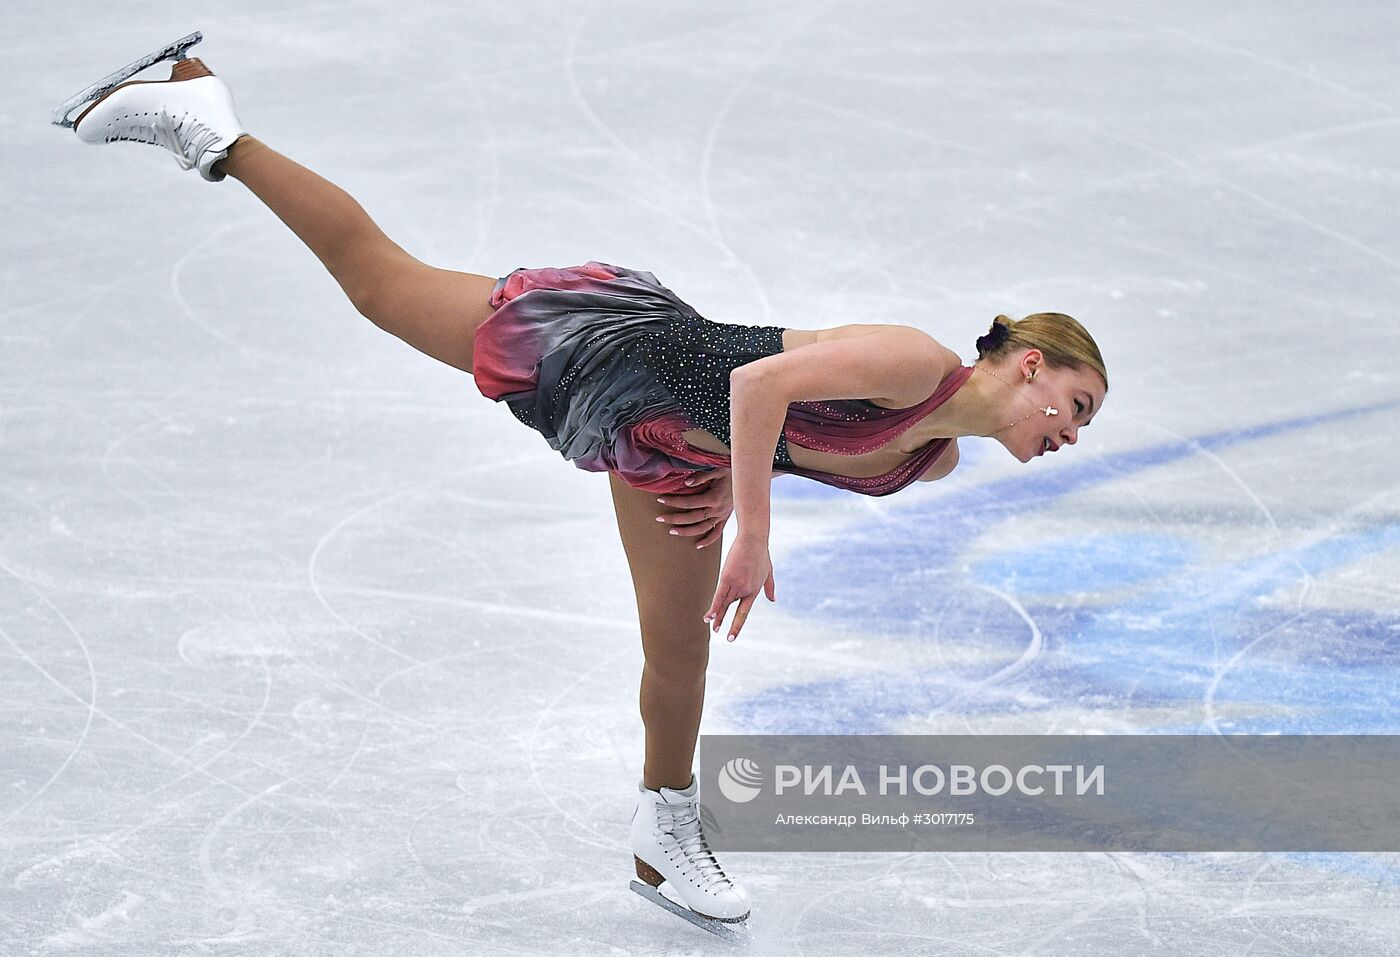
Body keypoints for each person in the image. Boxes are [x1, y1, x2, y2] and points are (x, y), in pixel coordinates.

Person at [55, 42, 1107, 931]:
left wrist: (735, 495)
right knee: (380, 284)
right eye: (1074, 403)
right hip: (618, 355)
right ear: (1027, 365)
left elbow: (788, 435)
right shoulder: (911, 361)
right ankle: (208, 129)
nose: (1070, 432)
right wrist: (749, 533)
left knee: (677, 648)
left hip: (673, 447)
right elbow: (760, 381)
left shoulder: (929, 457)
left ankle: (664, 834)